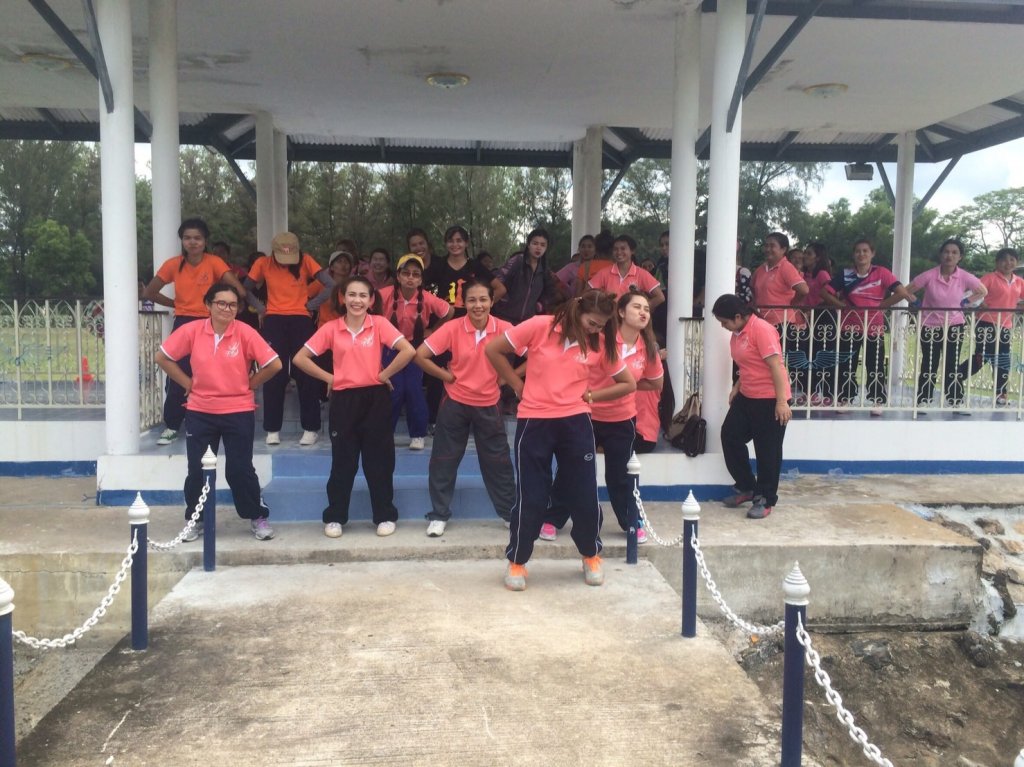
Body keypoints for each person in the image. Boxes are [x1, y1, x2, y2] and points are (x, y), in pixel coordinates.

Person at [485, 290, 636, 591]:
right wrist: (517, 385)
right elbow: (493, 350)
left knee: (584, 492)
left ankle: (590, 554)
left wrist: (592, 396)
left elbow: (628, 383)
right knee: (531, 494)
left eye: (601, 325)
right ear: (578, 311)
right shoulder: (540, 326)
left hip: (576, 422)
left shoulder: (599, 343)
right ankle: (517, 561)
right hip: (534, 421)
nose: (595, 329)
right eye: (592, 323)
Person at [155, 282, 281, 541]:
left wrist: (251, 383)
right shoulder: (192, 331)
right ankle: (196, 519)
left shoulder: (245, 332)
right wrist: (187, 382)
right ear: (208, 305)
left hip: (238, 411)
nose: (227, 308)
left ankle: (257, 516)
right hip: (200, 411)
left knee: (240, 469)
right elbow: (162, 357)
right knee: (197, 470)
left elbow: (274, 364)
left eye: (233, 304)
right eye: (221, 303)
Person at [292, 276, 416, 538]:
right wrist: (330, 378)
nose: (356, 300)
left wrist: (384, 375)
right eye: (352, 295)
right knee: (343, 461)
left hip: (376, 398)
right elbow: (300, 358)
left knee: (379, 460)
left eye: (362, 295)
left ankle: (384, 515)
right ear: (342, 298)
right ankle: (335, 517)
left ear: (371, 300)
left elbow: (408, 351)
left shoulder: (379, 323)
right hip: (343, 399)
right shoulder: (331, 328)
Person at [541, 289, 663, 544]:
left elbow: (654, 382)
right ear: (621, 312)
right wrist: (588, 393)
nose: (643, 312)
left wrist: (624, 388)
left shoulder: (648, 349)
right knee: (571, 468)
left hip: (623, 419)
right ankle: (553, 518)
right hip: (586, 414)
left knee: (620, 475)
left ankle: (631, 522)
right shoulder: (600, 339)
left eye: (647, 309)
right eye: (636, 307)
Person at [416, 279, 516, 536]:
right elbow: (420, 355)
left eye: (483, 299)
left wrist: (509, 378)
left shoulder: (504, 329)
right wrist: (445, 376)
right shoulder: (453, 328)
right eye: (471, 300)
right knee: (444, 459)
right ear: (464, 302)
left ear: (492, 301)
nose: (477, 305)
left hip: (489, 403)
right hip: (455, 402)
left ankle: (509, 513)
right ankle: (439, 515)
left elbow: (534, 353)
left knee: (498, 462)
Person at [143, 217, 245, 446]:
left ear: (205, 240)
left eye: (197, 238)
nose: (192, 242)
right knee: (179, 373)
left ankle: (215, 422)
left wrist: (222, 307)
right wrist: (175, 304)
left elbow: (239, 290)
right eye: (187, 238)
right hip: (184, 324)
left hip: (213, 322)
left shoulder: (215, 262)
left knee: (217, 373)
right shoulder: (173, 264)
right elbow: (149, 292)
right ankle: (172, 425)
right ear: (182, 240)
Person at [244, 232, 329, 446]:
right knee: (274, 371)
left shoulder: (306, 260)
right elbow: (244, 289)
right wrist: (261, 308)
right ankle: (272, 429)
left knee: (306, 371)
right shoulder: (263, 263)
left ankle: (311, 428)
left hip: (301, 320)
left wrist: (312, 304)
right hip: (274, 320)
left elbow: (331, 284)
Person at [712, 294, 792, 520]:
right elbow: (748, 363)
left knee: (767, 450)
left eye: (724, 322)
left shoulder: (762, 330)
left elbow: (776, 366)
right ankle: (747, 485)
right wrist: (737, 386)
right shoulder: (738, 333)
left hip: (770, 398)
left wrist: (781, 402)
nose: (723, 326)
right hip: (747, 395)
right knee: (730, 436)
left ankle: (765, 498)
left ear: (738, 316)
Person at [422, 225, 506, 429]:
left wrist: (484, 306)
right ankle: (435, 420)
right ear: (445, 244)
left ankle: (477, 419)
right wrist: (430, 324)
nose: (455, 244)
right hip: (445, 325)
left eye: (459, 240)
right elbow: (420, 293)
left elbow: (500, 288)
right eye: (451, 241)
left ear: (466, 243)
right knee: (438, 372)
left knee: (476, 369)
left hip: (473, 324)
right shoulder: (438, 266)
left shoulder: (475, 266)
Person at [821, 239, 913, 414]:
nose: (861, 254)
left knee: (875, 365)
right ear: (853, 254)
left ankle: (877, 400)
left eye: (865, 251)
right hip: (849, 327)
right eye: (858, 251)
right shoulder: (846, 274)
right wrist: (841, 306)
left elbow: (902, 292)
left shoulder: (881, 272)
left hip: (874, 327)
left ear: (872, 253)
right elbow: (824, 292)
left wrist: (882, 305)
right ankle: (845, 398)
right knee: (847, 364)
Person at [378, 254, 453, 450]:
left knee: (413, 389)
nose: (410, 278)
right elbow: (365, 309)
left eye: (415, 274)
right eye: (406, 273)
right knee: (393, 390)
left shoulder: (427, 298)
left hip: (414, 349)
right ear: (398, 276)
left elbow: (449, 311)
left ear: (420, 279)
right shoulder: (384, 294)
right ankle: (384, 433)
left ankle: (418, 434)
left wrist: (433, 330)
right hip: (391, 347)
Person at [906, 238, 987, 410]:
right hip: (930, 325)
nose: (950, 255)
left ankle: (955, 399)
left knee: (952, 363)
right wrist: (916, 302)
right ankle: (923, 399)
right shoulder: (929, 275)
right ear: (941, 254)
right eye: (946, 252)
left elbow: (983, 291)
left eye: (954, 252)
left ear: (960, 257)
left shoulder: (964, 276)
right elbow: (906, 290)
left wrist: (966, 302)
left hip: (955, 325)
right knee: (929, 362)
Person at [957, 247, 1022, 406]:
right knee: (983, 356)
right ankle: (955, 378)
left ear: (1017, 262)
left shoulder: (1019, 281)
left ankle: (1001, 393)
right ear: (997, 262)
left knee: (1002, 359)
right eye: (1004, 259)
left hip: (1005, 325)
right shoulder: (990, 278)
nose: (1008, 263)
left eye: (1012, 259)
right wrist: (980, 303)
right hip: (986, 323)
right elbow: (971, 294)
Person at [750, 232, 809, 402]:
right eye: (766, 245)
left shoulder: (786, 267)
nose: (768, 249)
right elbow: (753, 289)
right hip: (763, 323)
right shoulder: (761, 269)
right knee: (764, 361)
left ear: (783, 249)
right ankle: (767, 394)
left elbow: (804, 290)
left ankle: (783, 397)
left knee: (778, 361)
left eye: (772, 246)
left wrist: (791, 304)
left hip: (782, 322)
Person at [492, 228, 565, 324]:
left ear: (546, 248)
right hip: (504, 317)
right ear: (528, 244)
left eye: (542, 245)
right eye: (535, 243)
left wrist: (540, 305)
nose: (538, 247)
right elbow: (498, 280)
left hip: (527, 321)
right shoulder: (517, 261)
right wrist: (503, 299)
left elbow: (550, 293)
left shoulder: (544, 269)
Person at [588, 234, 665, 309]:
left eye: (623, 248)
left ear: (632, 251)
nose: (619, 252)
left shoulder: (641, 273)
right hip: (610, 316)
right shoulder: (604, 273)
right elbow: (587, 293)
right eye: (615, 249)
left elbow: (660, 297)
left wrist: (640, 309)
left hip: (632, 317)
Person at [800, 242, 836, 405]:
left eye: (809, 254)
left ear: (818, 257)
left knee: (825, 354)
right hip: (809, 317)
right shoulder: (805, 275)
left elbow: (829, 295)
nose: (805, 256)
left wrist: (814, 308)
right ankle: (810, 391)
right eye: (805, 253)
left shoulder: (822, 274)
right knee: (809, 355)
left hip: (824, 316)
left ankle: (828, 393)